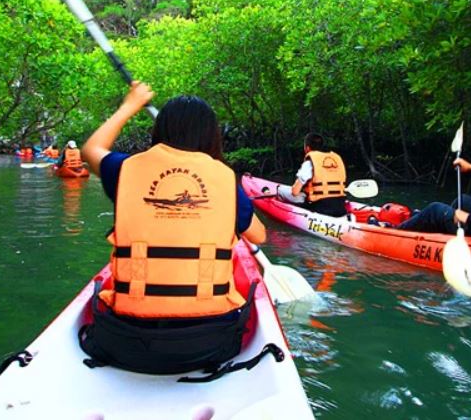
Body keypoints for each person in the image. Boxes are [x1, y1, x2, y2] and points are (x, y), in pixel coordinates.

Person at [77, 81, 267, 374]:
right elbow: (259, 235)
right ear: (211, 136)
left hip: (126, 339)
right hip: (207, 344)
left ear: (160, 131)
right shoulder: (225, 179)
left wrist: (130, 105)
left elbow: (91, 149)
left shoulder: (125, 170)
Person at [276, 133, 348, 217]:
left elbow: (295, 192)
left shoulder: (309, 163)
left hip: (320, 208)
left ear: (307, 148)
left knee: (280, 190)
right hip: (340, 206)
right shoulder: (336, 160)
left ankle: (283, 209)